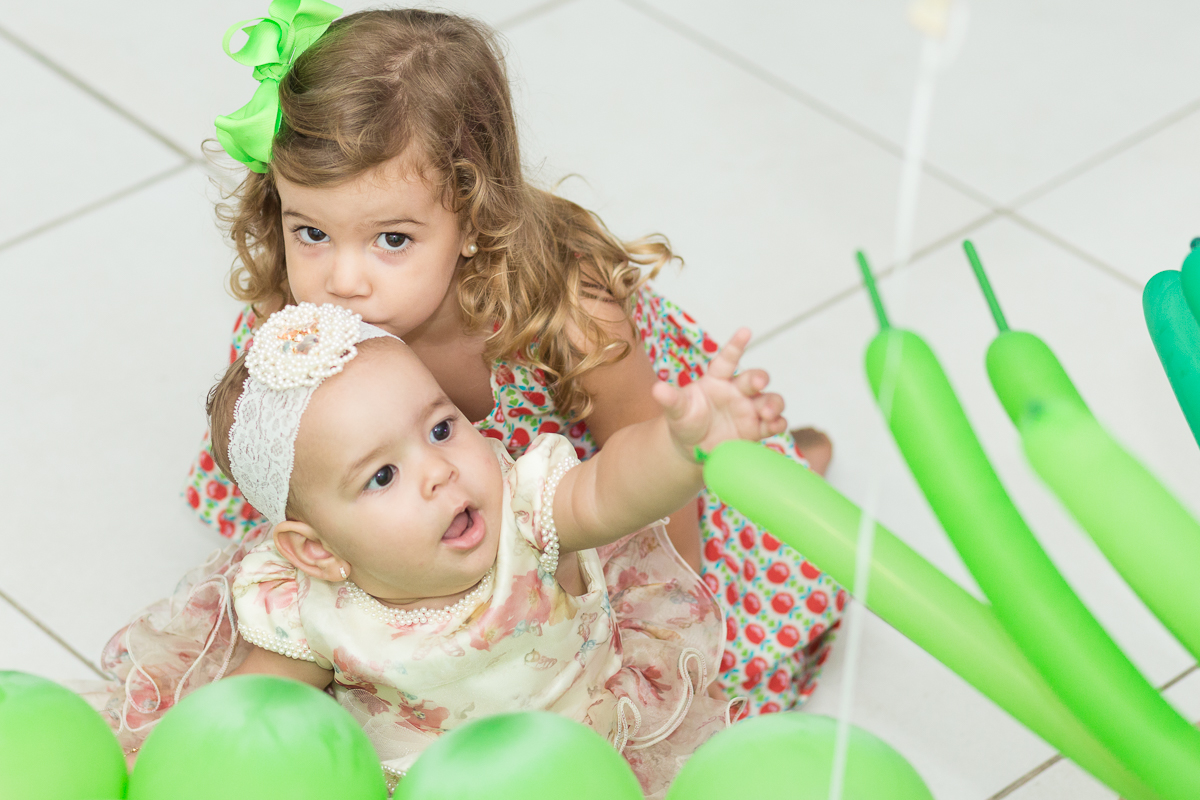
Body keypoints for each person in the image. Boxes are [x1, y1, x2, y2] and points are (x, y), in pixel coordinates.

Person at [185, 4, 842, 715]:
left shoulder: (567, 308)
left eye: (393, 240)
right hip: (428, 512)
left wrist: (670, 620)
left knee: (697, 493)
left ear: (472, 214)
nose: (344, 280)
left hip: (597, 481)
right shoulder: (302, 317)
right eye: (311, 231)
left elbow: (636, 453)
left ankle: (774, 461)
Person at [107, 302, 787, 796]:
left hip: (580, 770)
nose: (438, 472)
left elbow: (612, 488)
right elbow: (246, 721)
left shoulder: (524, 510)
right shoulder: (311, 609)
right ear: (316, 552)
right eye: (382, 476)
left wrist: (680, 448)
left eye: (439, 428)